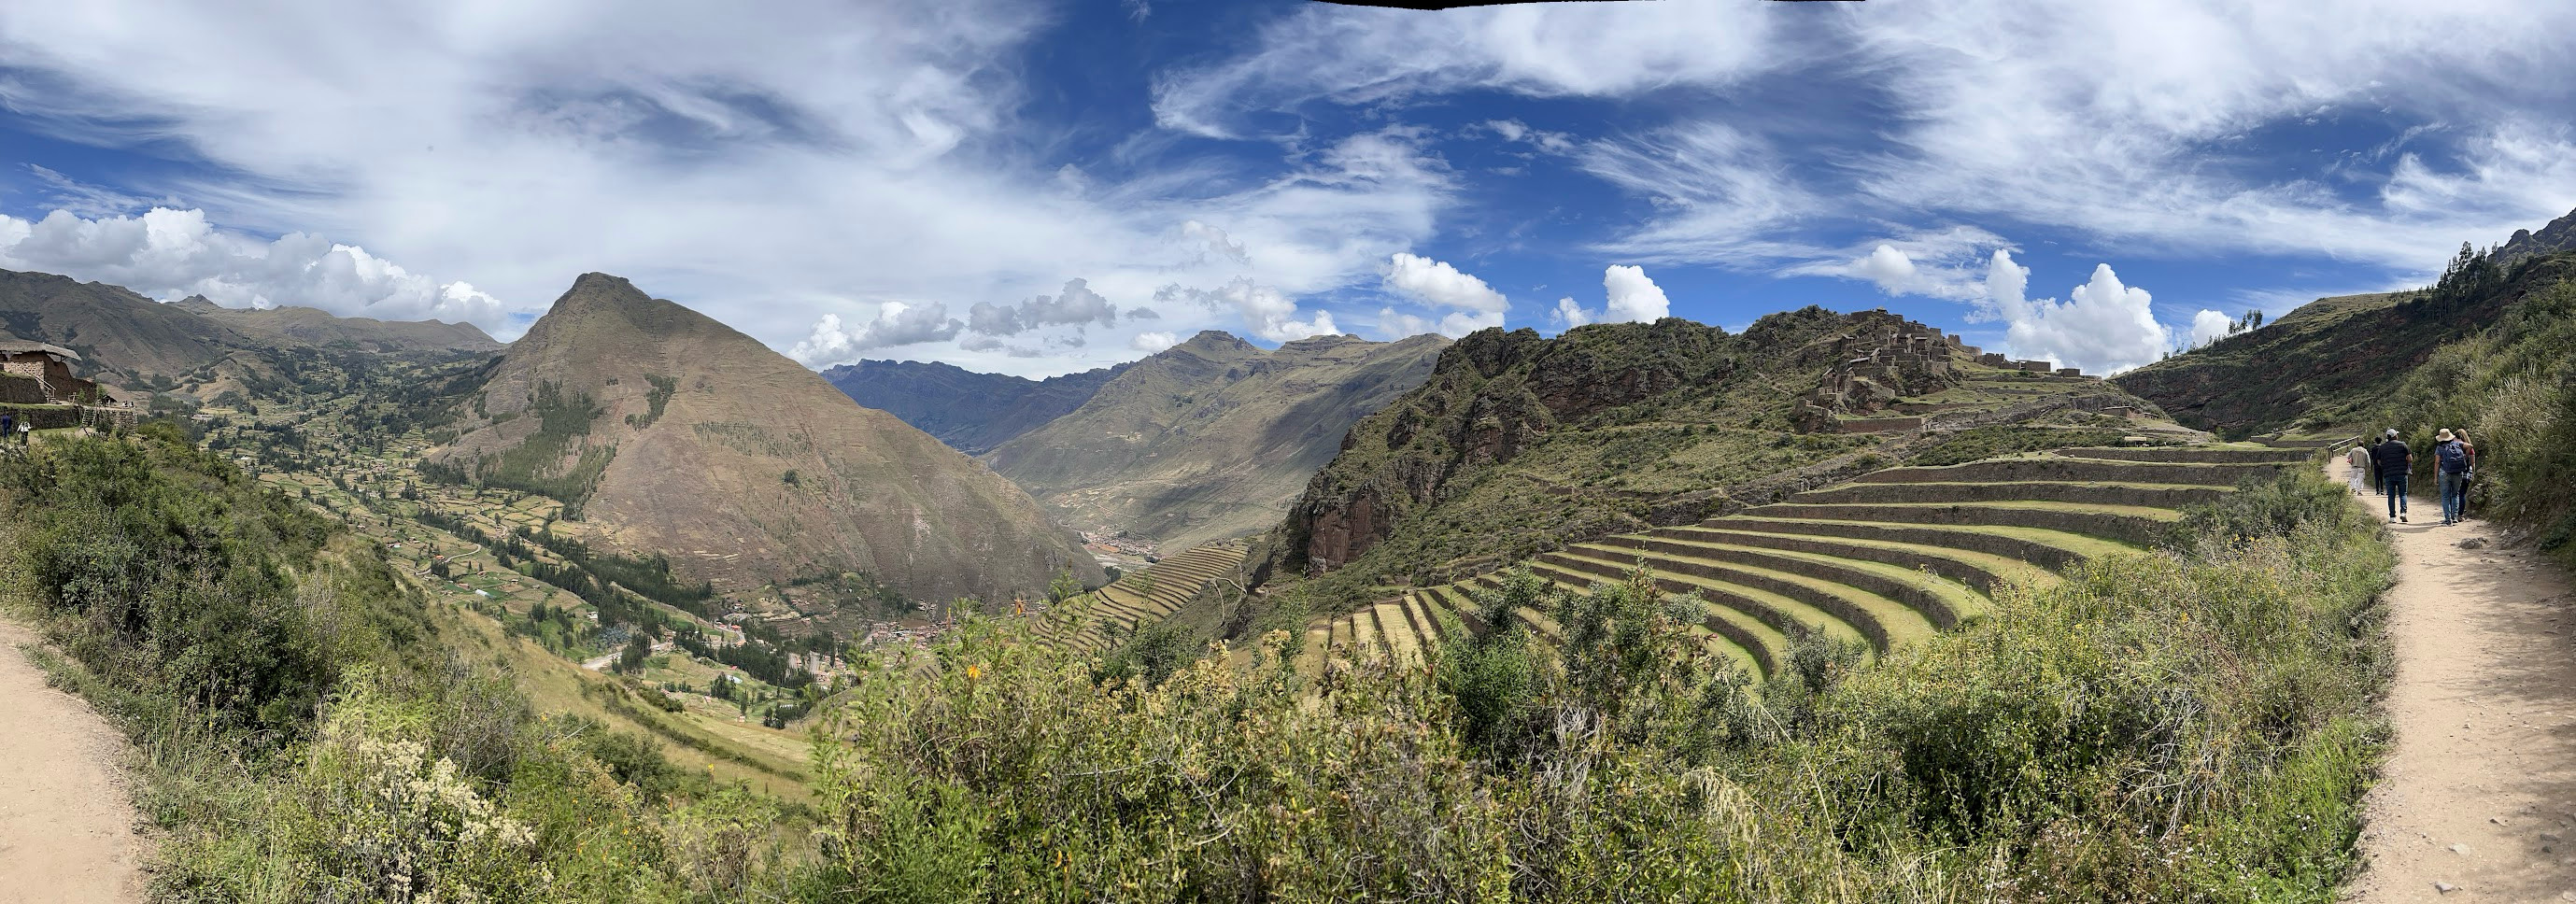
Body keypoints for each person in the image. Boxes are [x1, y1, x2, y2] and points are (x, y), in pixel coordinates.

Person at [2371, 428, 2413, 523]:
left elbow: (2378, 461)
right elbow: (2410, 459)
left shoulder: (2382, 447)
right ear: (2395, 436)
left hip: (2388, 474)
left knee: (2391, 496)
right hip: (2402, 473)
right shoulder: (2403, 445)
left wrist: (2386, 466)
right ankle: (2403, 513)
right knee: (2403, 494)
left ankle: (2392, 517)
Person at [2434, 428, 2470, 526]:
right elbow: (2470, 446)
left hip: (2444, 473)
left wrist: (2435, 477)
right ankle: (2454, 518)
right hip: (2458, 472)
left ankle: (2447, 519)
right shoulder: (2458, 444)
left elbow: (2437, 462)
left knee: (2446, 496)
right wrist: (2464, 458)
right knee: (2455, 494)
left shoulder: (2439, 448)